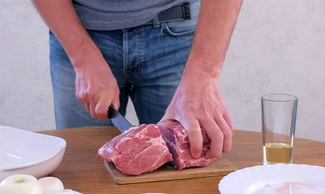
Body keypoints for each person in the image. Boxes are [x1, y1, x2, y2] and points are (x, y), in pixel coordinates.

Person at [31, 0, 243, 159]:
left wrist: (204, 74)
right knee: (82, 170)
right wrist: (82, 57)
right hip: (77, 28)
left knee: (187, 169)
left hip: (177, 28)